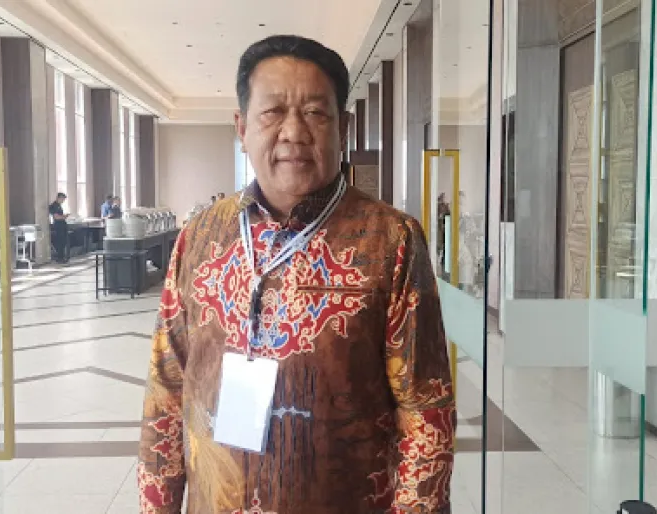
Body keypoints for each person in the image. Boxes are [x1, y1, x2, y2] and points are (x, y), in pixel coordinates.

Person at [138, 35, 455, 514]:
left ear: (342, 127)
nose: (293, 132)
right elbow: (166, 390)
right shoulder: (199, 237)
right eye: (272, 112)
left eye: (314, 112)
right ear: (242, 127)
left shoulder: (391, 241)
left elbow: (425, 410)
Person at [49, 192, 69, 263]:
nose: (63, 201)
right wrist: (64, 216)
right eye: (62, 199)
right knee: (60, 242)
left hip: (62, 225)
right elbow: (56, 217)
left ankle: (62, 257)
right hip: (58, 226)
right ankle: (60, 258)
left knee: (63, 242)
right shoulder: (54, 206)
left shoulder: (59, 206)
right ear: (58, 198)